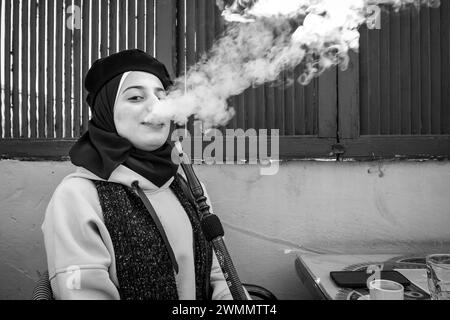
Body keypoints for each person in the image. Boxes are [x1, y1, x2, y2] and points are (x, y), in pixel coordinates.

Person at [41, 49, 235, 300]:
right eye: (135, 97)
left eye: (162, 97)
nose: (157, 108)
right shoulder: (77, 197)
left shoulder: (188, 185)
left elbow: (220, 276)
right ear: (106, 111)